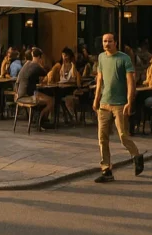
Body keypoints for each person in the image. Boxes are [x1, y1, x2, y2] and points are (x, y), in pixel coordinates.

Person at [93, 33, 144, 183]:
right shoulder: (101, 58)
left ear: (115, 42)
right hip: (104, 104)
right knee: (102, 138)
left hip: (120, 104)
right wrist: (96, 99)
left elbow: (130, 82)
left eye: (110, 41)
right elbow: (100, 80)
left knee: (123, 135)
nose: (107, 44)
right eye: (104, 41)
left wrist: (129, 101)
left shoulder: (124, 58)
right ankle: (106, 170)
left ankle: (136, 156)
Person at [16, 48, 53, 126]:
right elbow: (45, 73)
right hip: (29, 96)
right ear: (39, 57)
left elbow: (19, 81)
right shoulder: (36, 66)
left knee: (41, 96)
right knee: (51, 101)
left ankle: (39, 119)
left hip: (19, 96)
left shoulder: (26, 64)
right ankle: (40, 120)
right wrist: (41, 63)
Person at [56, 47, 82, 121]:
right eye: (63, 55)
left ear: (69, 56)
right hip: (62, 87)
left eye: (66, 55)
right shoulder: (61, 65)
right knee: (55, 95)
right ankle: (64, 116)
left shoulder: (73, 66)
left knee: (58, 96)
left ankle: (68, 115)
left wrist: (73, 65)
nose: (64, 57)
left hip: (70, 88)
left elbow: (74, 76)